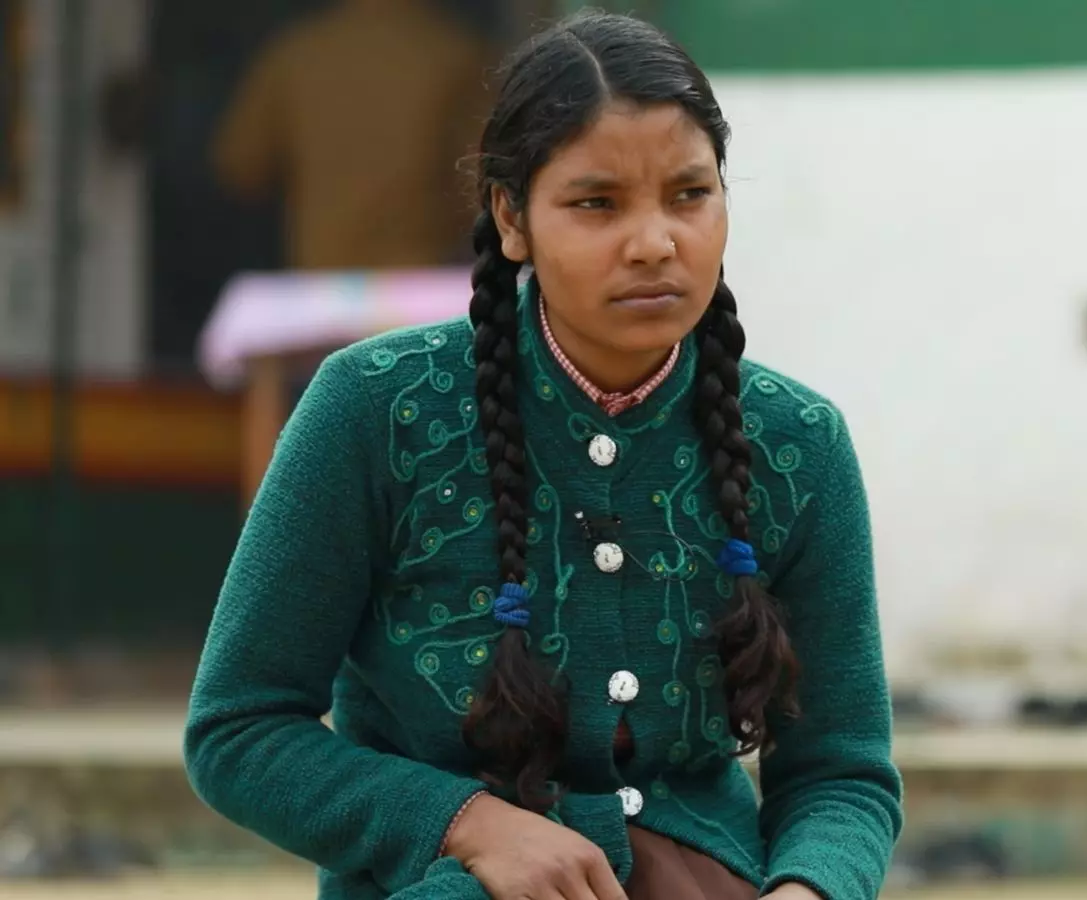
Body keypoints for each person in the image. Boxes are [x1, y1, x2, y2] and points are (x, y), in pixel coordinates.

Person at [183, 10, 903, 900]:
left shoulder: (799, 445)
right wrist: (467, 824)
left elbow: (843, 772)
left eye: (689, 194)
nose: (654, 241)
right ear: (511, 217)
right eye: (596, 203)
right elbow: (239, 729)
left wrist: (809, 889)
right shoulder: (376, 409)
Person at [211, 0, 491, 270]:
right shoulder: (456, 52)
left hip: (321, 280)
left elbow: (240, 165)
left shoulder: (297, 52)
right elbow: (486, 175)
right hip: (420, 280)